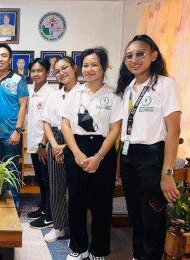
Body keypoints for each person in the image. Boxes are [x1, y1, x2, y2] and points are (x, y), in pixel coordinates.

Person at [116, 35, 181, 260]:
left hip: (152, 156)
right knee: (135, 213)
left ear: (153, 56)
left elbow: (174, 131)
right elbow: (125, 128)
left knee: (153, 215)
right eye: (129, 56)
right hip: (127, 155)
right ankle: (137, 255)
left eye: (140, 54)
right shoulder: (128, 88)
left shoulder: (165, 85)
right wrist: (119, 161)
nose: (134, 60)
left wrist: (168, 172)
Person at [59, 47, 122, 260]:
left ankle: (98, 250)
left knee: (101, 204)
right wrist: (76, 153)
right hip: (77, 148)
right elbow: (65, 125)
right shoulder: (73, 93)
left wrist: (99, 157)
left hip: (103, 151)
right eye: (85, 65)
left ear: (105, 67)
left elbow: (115, 129)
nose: (89, 69)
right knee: (75, 201)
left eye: (94, 64)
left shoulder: (114, 95)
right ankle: (78, 247)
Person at [41, 56, 80, 243]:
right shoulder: (54, 96)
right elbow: (46, 123)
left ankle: (76, 229)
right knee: (56, 187)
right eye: (57, 71)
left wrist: (67, 145)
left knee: (76, 188)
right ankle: (58, 227)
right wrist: (55, 146)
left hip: (77, 141)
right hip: (55, 141)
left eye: (65, 68)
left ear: (74, 68)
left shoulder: (84, 92)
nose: (61, 73)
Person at [0, 43, 29, 209]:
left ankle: (14, 204)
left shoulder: (19, 80)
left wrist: (17, 131)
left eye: (3, 55)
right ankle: (0, 202)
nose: (0, 59)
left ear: (10, 59)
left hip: (12, 134)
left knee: (11, 169)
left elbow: (24, 106)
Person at [25, 58, 54, 230]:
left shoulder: (50, 93)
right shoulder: (30, 91)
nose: (35, 74)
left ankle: (50, 215)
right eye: (33, 71)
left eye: (40, 71)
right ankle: (43, 208)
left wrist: (43, 145)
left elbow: (49, 121)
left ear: (47, 72)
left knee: (48, 180)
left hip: (44, 145)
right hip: (33, 142)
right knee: (41, 180)